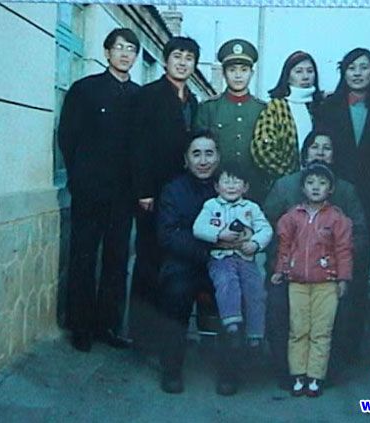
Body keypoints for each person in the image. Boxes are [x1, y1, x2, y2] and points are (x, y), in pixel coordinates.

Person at [263, 128, 367, 386]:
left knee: (340, 312)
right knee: (278, 307)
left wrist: (338, 264)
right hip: (289, 271)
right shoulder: (285, 186)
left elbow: (360, 233)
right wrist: (281, 263)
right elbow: (267, 225)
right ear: (305, 153)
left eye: (327, 148)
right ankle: (287, 371)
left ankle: (324, 372)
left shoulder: (346, 191)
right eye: (315, 147)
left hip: (329, 273)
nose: (320, 152)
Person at [58, 28, 140, 352]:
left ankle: (108, 325)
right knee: (83, 257)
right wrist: (79, 177)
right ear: (107, 53)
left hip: (123, 194)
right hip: (89, 190)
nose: (125, 54)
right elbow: (67, 137)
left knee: (116, 260)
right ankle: (81, 327)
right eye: (119, 48)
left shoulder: (139, 97)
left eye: (131, 49)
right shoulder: (85, 90)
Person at [157, 130, 249, 395]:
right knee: (175, 294)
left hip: (224, 264)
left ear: (218, 157)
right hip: (185, 264)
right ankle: (171, 369)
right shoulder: (174, 190)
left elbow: (247, 222)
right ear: (186, 159)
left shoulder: (230, 187)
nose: (203, 160)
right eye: (196, 154)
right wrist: (210, 249)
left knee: (235, 293)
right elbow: (168, 235)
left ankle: (229, 372)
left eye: (209, 153)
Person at [316, 48, 370, 361]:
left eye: (364, 67)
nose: (358, 73)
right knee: (325, 268)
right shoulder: (328, 108)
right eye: (351, 68)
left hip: (368, 203)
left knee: (357, 272)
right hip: (332, 196)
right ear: (343, 73)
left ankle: (350, 346)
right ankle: (323, 341)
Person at [129, 36, 201, 348]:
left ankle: (168, 334)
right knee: (149, 258)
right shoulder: (149, 95)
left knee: (174, 263)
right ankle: (142, 335)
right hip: (153, 192)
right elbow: (138, 146)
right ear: (165, 60)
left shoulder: (192, 100)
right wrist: (144, 189)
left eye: (189, 58)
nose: (183, 63)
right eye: (177, 56)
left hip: (181, 193)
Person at [271, 163, 353, 397]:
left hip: (326, 283)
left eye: (322, 183)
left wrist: (343, 278)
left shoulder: (337, 219)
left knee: (321, 331)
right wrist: (280, 270)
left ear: (330, 189)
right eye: (310, 183)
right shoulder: (292, 217)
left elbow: (344, 250)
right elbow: (285, 246)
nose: (316, 187)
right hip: (297, 283)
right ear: (303, 187)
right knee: (298, 329)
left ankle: (315, 376)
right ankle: (298, 374)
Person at [192, 164, 273, 351]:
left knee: (256, 290)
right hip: (221, 258)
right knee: (227, 282)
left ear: (245, 187)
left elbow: (266, 229)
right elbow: (198, 228)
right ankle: (231, 324)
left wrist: (255, 243)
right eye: (226, 182)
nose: (231, 186)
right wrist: (219, 234)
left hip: (245, 258)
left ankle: (255, 334)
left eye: (236, 182)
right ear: (217, 186)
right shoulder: (211, 206)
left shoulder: (251, 208)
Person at [194, 39, 270, 203]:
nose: (238, 75)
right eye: (232, 69)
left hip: (255, 191)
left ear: (252, 73)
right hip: (215, 191)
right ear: (223, 73)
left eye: (244, 70)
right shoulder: (209, 108)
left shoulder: (264, 110)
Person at [251, 51, 323, 178]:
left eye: (310, 71)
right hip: (287, 180)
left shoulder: (322, 106)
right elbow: (262, 149)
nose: (305, 77)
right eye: (299, 72)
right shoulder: (276, 106)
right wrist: (289, 176)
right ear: (288, 76)